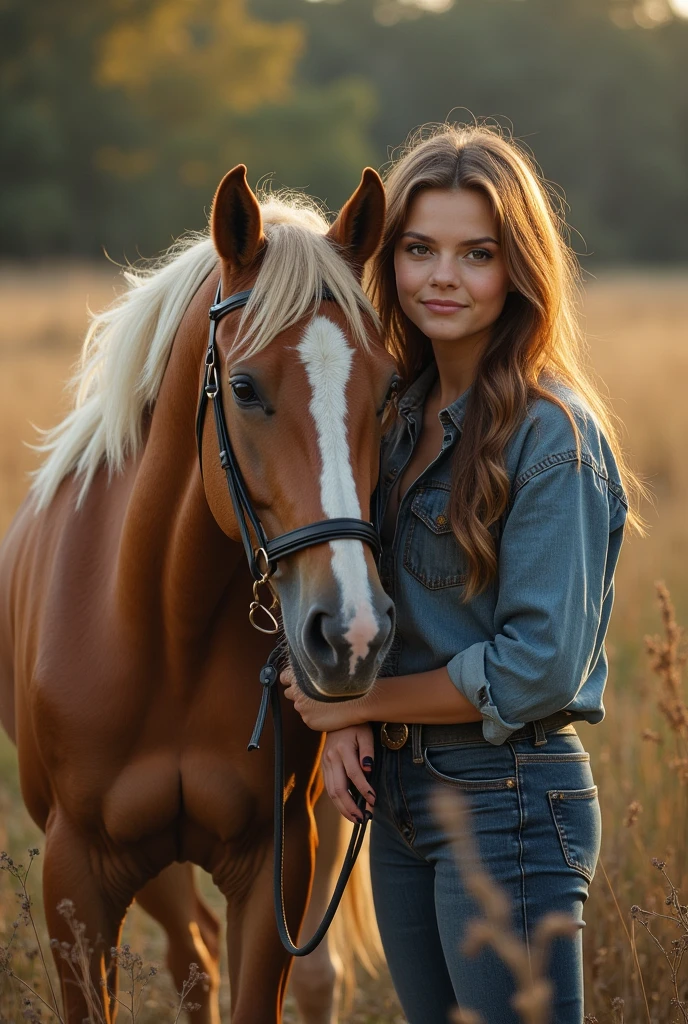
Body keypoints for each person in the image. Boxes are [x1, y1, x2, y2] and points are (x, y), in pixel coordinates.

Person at [281, 124, 643, 1023]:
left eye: (476, 254)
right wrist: (343, 726)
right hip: (400, 803)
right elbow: (363, 592)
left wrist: (360, 705)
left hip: (509, 802)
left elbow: (537, 668)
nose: (442, 276)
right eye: (419, 249)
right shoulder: (393, 412)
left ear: (518, 269)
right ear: (390, 260)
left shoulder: (551, 437)